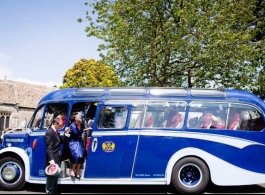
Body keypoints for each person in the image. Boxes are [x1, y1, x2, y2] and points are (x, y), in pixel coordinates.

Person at [44, 117, 70, 194]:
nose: (60, 127)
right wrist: (51, 160)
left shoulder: (56, 132)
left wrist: (66, 133)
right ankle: (49, 192)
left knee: (55, 177)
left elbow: (61, 141)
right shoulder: (49, 132)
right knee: (51, 177)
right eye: (59, 125)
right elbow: (49, 148)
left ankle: (54, 192)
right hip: (52, 159)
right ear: (55, 123)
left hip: (57, 157)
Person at [68, 114, 86, 180]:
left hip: (79, 141)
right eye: (77, 121)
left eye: (79, 122)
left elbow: (82, 130)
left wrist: (87, 129)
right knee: (76, 155)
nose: (78, 123)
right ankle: (73, 171)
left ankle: (77, 172)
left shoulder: (81, 125)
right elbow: (73, 132)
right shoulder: (72, 125)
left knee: (81, 156)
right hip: (73, 141)